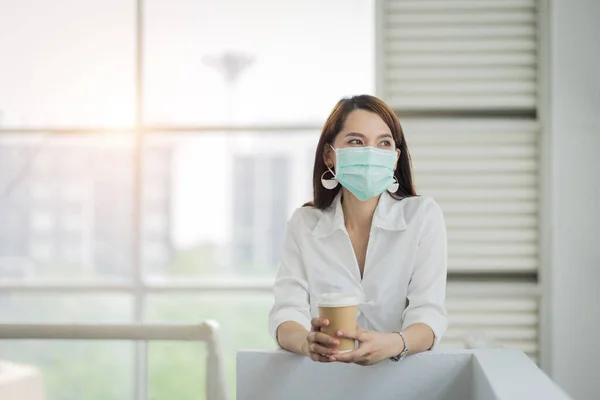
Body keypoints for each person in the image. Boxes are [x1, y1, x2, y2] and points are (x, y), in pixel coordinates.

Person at [269, 94, 447, 365]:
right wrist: (306, 343)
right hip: (322, 381)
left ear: (395, 158)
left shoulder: (422, 217)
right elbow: (286, 313)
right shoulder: (304, 223)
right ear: (330, 155)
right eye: (356, 141)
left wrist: (392, 344)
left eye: (384, 143)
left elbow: (429, 315)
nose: (371, 152)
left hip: (403, 380)